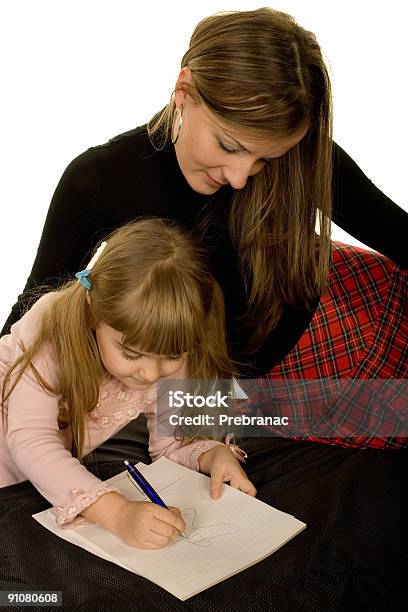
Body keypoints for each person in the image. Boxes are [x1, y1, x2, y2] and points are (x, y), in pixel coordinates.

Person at [1, 8, 407, 447]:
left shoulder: (306, 158)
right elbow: (29, 323)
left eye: (264, 160)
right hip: (239, 391)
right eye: (229, 146)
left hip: (356, 325)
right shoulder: (98, 181)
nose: (238, 177)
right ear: (185, 91)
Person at [0, 218, 256, 550]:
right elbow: (31, 438)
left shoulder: (167, 344)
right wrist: (118, 513)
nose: (151, 374)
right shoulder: (52, 324)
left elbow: (169, 445)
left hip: (25, 487)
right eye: (132, 353)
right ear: (93, 312)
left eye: (172, 355)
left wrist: (212, 455)